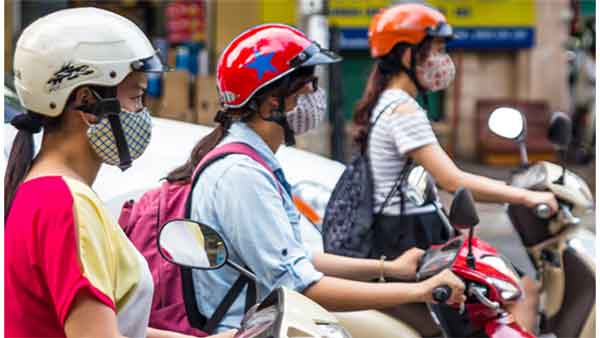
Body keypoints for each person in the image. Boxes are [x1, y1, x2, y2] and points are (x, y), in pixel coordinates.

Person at [166, 23, 466, 333]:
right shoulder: (241, 175)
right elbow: (301, 285)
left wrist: (389, 268)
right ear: (273, 103)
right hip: (247, 328)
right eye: (309, 85)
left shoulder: (252, 163)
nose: (316, 96)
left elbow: (293, 255)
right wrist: (420, 290)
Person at [4, 8, 233, 338]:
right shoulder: (64, 204)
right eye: (137, 97)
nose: (143, 113)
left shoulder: (41, 189)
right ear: (87, 103)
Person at [353, 3, 559, 332]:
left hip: (401, 233)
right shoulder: (403, 111)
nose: (442, 59)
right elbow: (452, 180)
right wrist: (525, 197)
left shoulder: (386, 104)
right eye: (436, 49)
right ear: (408, 54)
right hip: (408, 238)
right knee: (520, 291)